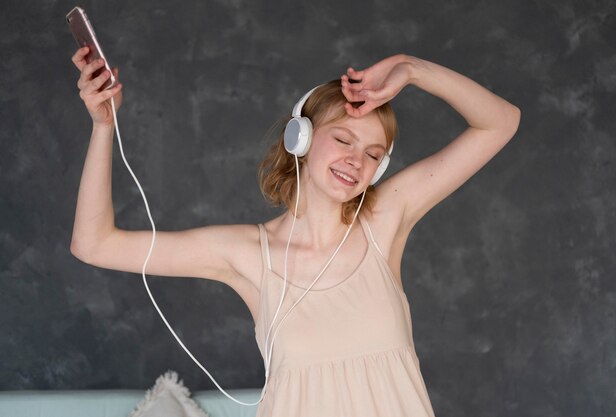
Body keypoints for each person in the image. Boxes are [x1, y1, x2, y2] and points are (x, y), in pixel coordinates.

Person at [70, 47, 520, 417]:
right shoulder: (247, 253)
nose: (355, 161)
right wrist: (103, 127)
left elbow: (501, 121)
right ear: (299, 139)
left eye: (372, 154)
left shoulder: (387, 217)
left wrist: (413, 70)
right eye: (343, 139)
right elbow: (94, 244)